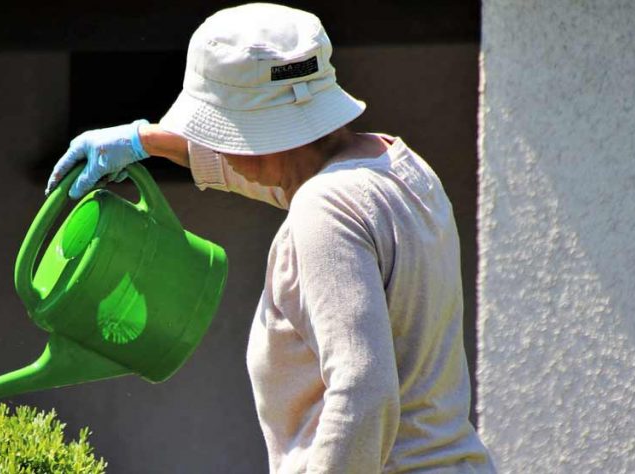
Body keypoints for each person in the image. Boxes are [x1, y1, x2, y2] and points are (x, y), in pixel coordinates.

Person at [45, 3, 496, 473]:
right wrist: (147, 140)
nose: (217, 145)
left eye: (220, 130)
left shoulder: (323, 209)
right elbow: (281, 173)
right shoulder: (398, 168)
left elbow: (363, 390)